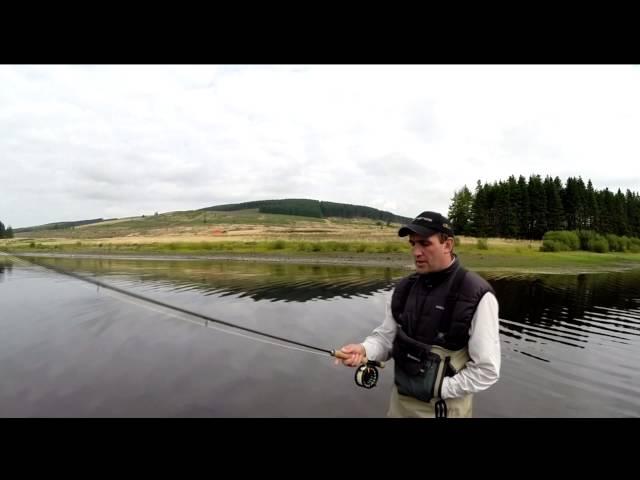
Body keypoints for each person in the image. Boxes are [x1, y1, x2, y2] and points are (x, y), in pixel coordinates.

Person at [335, 211, 500, 418]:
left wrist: (439, 388)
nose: (416, 252)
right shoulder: (402, 289)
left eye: (425, 243)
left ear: (447, 245)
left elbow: (487, 370)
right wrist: (364, 349)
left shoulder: (478, 295)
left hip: (444, 411)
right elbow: (386, 339)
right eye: (413, 244)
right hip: (399, 407)